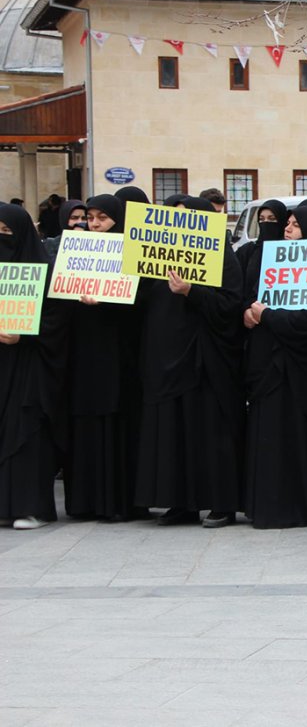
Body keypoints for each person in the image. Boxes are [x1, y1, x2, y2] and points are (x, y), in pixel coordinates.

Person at [134, 197, 244, 528]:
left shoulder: (222, 256)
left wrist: (191, 291)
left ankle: (221, 503)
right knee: (173, 432)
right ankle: (180, 501)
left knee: (208, 431)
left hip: (205, 359)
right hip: (165, 357)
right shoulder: (153, 259)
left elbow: (230, 305)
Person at [242, 205, 307, 529]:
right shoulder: (270, 260)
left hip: (305, 369)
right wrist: (249, 313)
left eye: (296, 225)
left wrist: (268, 316)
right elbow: (253, 299)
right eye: (288, 223)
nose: (287, 229)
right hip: (270, 368)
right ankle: (271, 507)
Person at [63, 195, 146, 523]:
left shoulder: (131, 253)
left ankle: (120, 501)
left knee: (117, 422)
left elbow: (139, 305)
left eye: (102, 218)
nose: (95, 224)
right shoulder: (76, 251)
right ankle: (85, 501)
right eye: (90, 218)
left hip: (118, 356)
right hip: (85, 355)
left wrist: (108, 301)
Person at [0, 204, 68, 529]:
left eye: (6, 232)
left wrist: (25, 335)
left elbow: (57, 321)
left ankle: (30, 508)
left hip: (30, 368)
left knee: (26, 432)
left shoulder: (45, 271)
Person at [235, 199, 287, 270]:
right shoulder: (247, 250)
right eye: (261, 219)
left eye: (272, 219)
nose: (266, 222)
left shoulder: (290, 251)